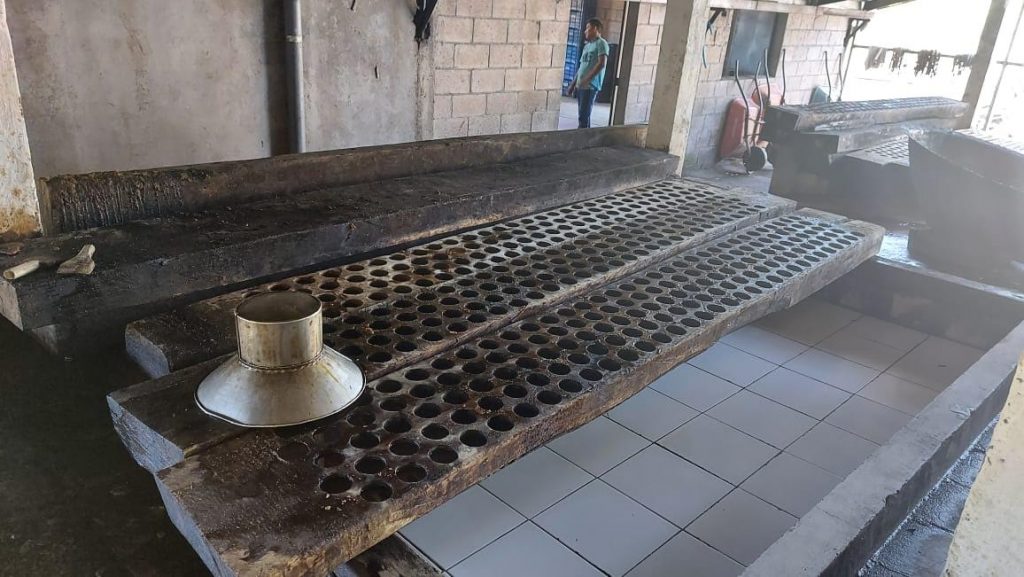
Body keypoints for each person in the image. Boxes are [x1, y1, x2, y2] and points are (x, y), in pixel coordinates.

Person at [568, 18, 609, 129]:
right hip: (581, 85)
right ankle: (585, 135)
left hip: (590, 86)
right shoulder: (587, 46)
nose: (585, 31)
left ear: (595, 29)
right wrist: (573, 84)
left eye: (588, 28)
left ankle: (582, 137)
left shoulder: (601, 43)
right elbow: (582, 66)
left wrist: (587, 79)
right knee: (583, 115)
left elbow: (601, 64)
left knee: (584, 116)